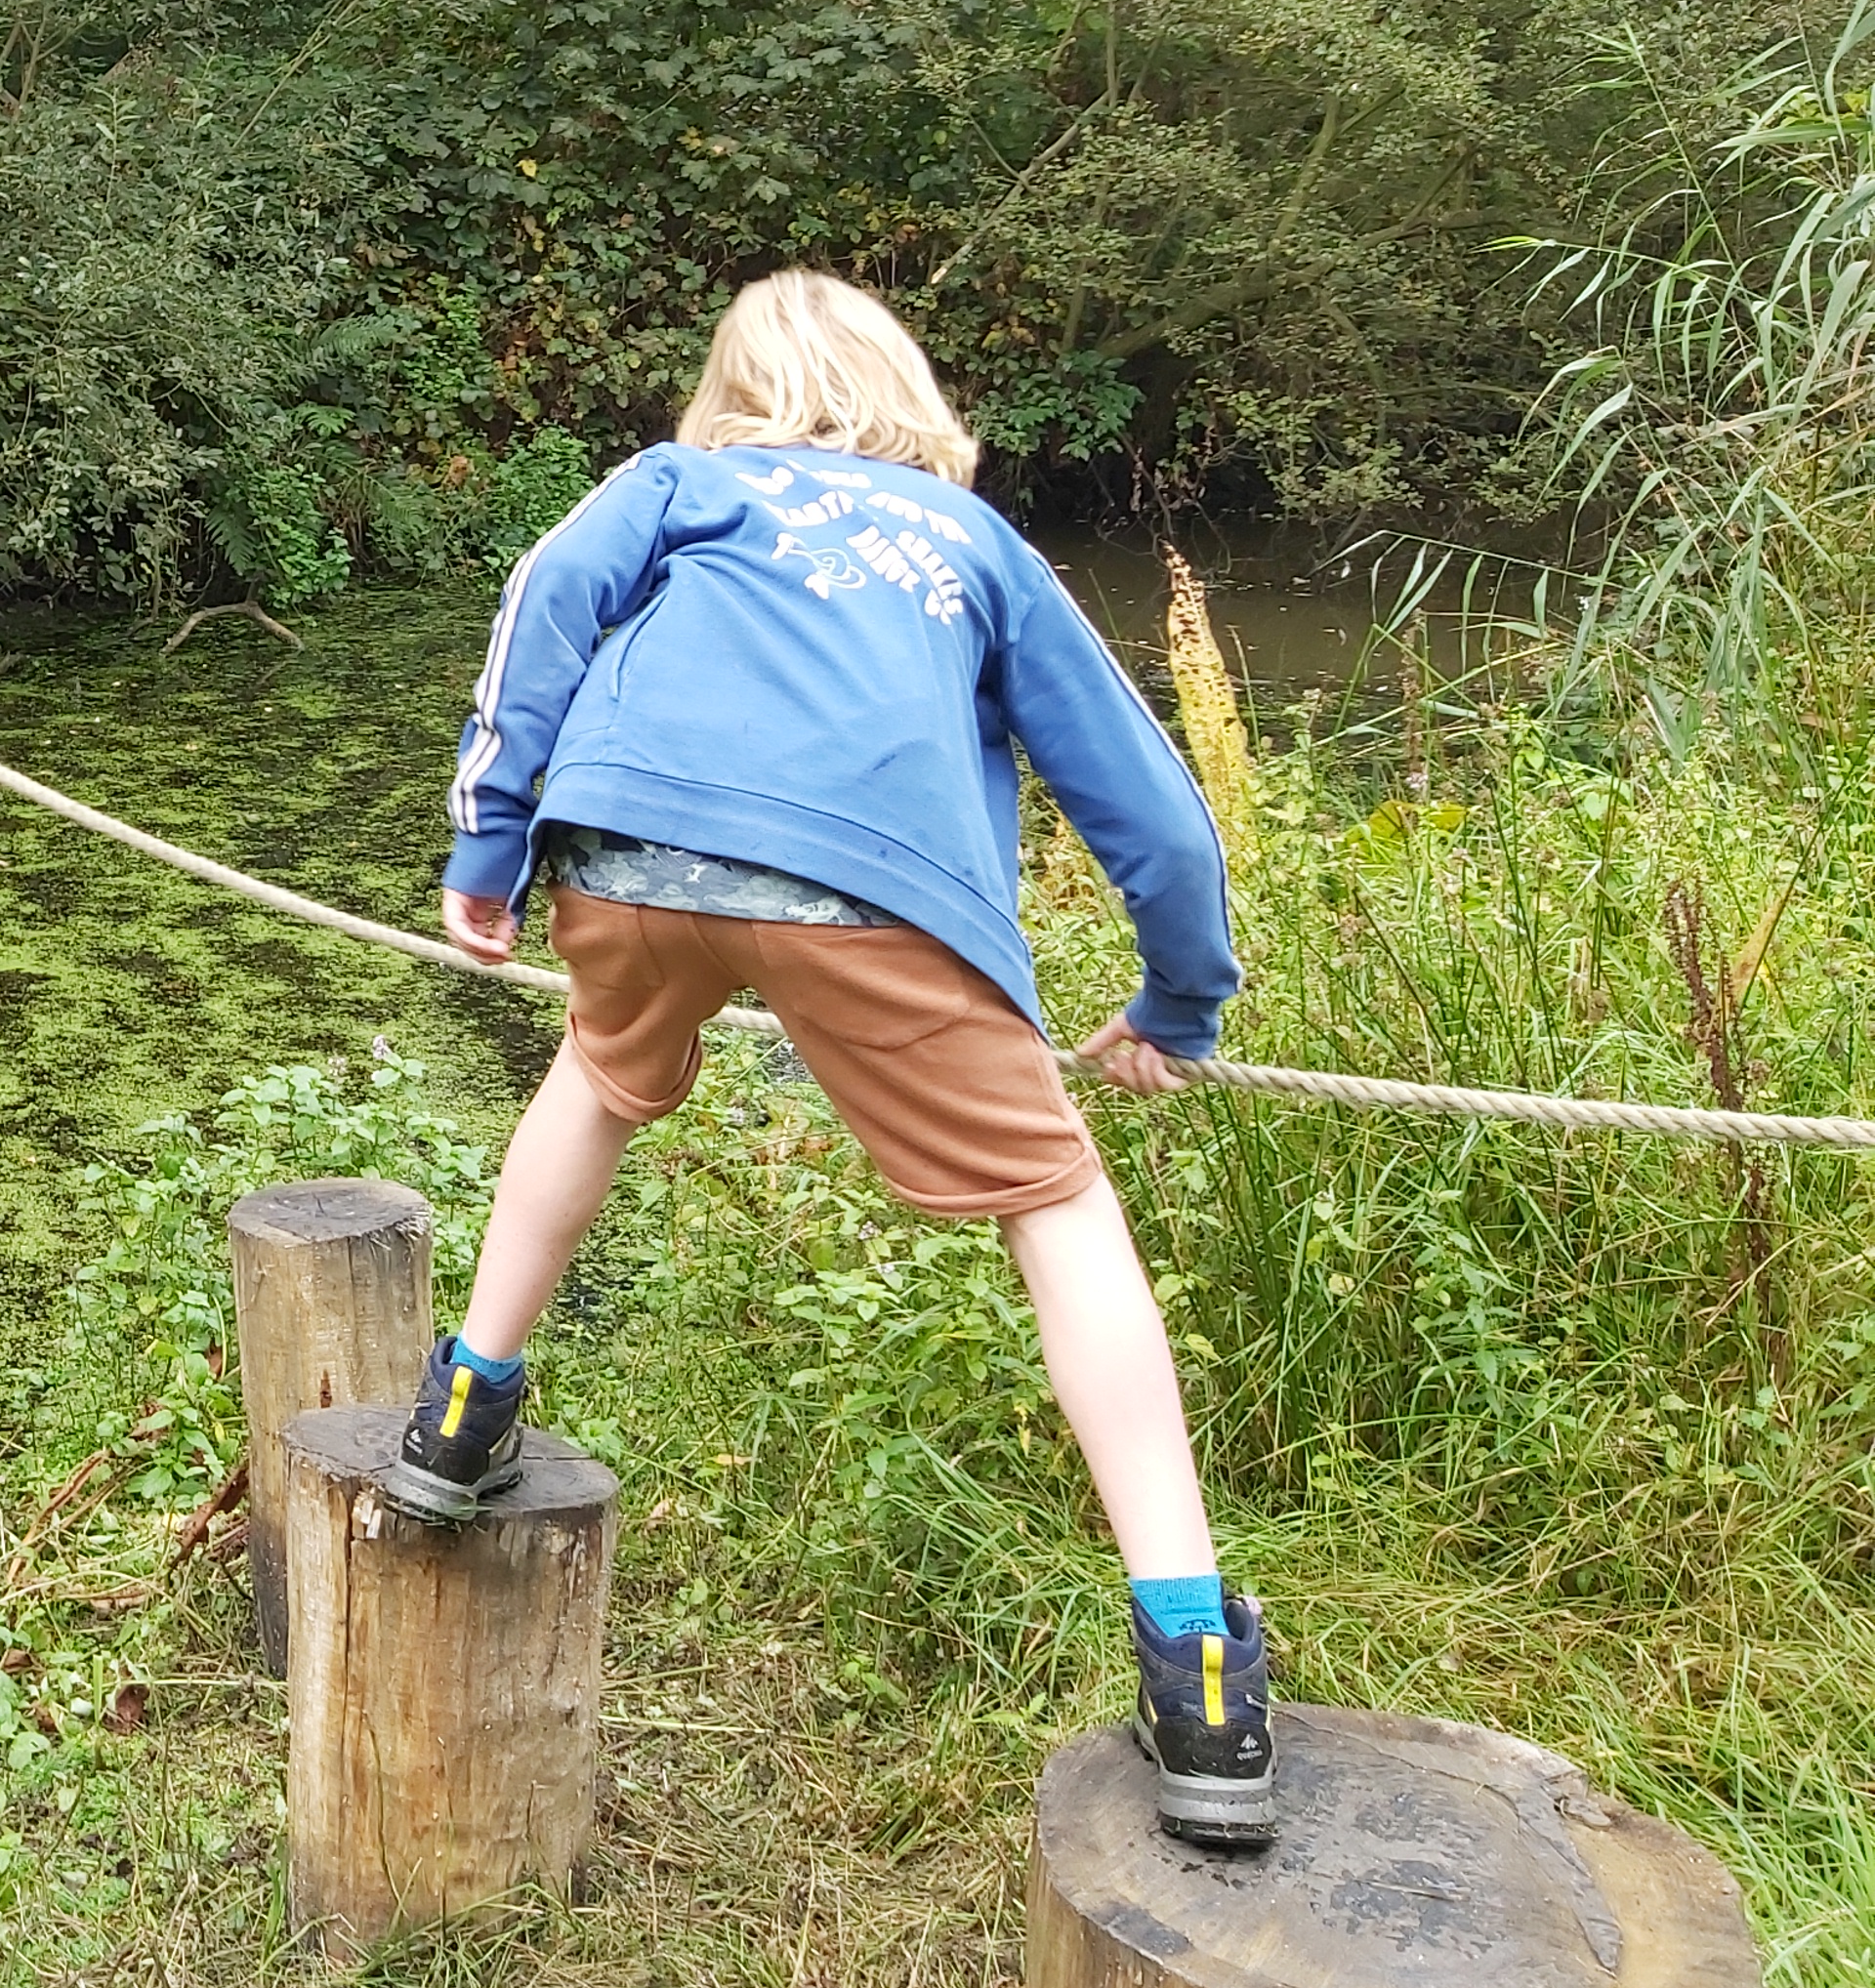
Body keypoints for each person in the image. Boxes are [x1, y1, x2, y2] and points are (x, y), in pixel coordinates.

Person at [400, 269, 1274, 1853]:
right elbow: (1141, 791)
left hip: (626, 855)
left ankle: (461, 1407)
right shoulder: (972, 546)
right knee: (1056, 1203)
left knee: (597, 1075)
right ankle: (1198, 1663)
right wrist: (1178, 1000)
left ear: (730, 390)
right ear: (909, 390)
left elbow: (543, 598)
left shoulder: (681, 483)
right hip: (870, 892)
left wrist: (487, 836)